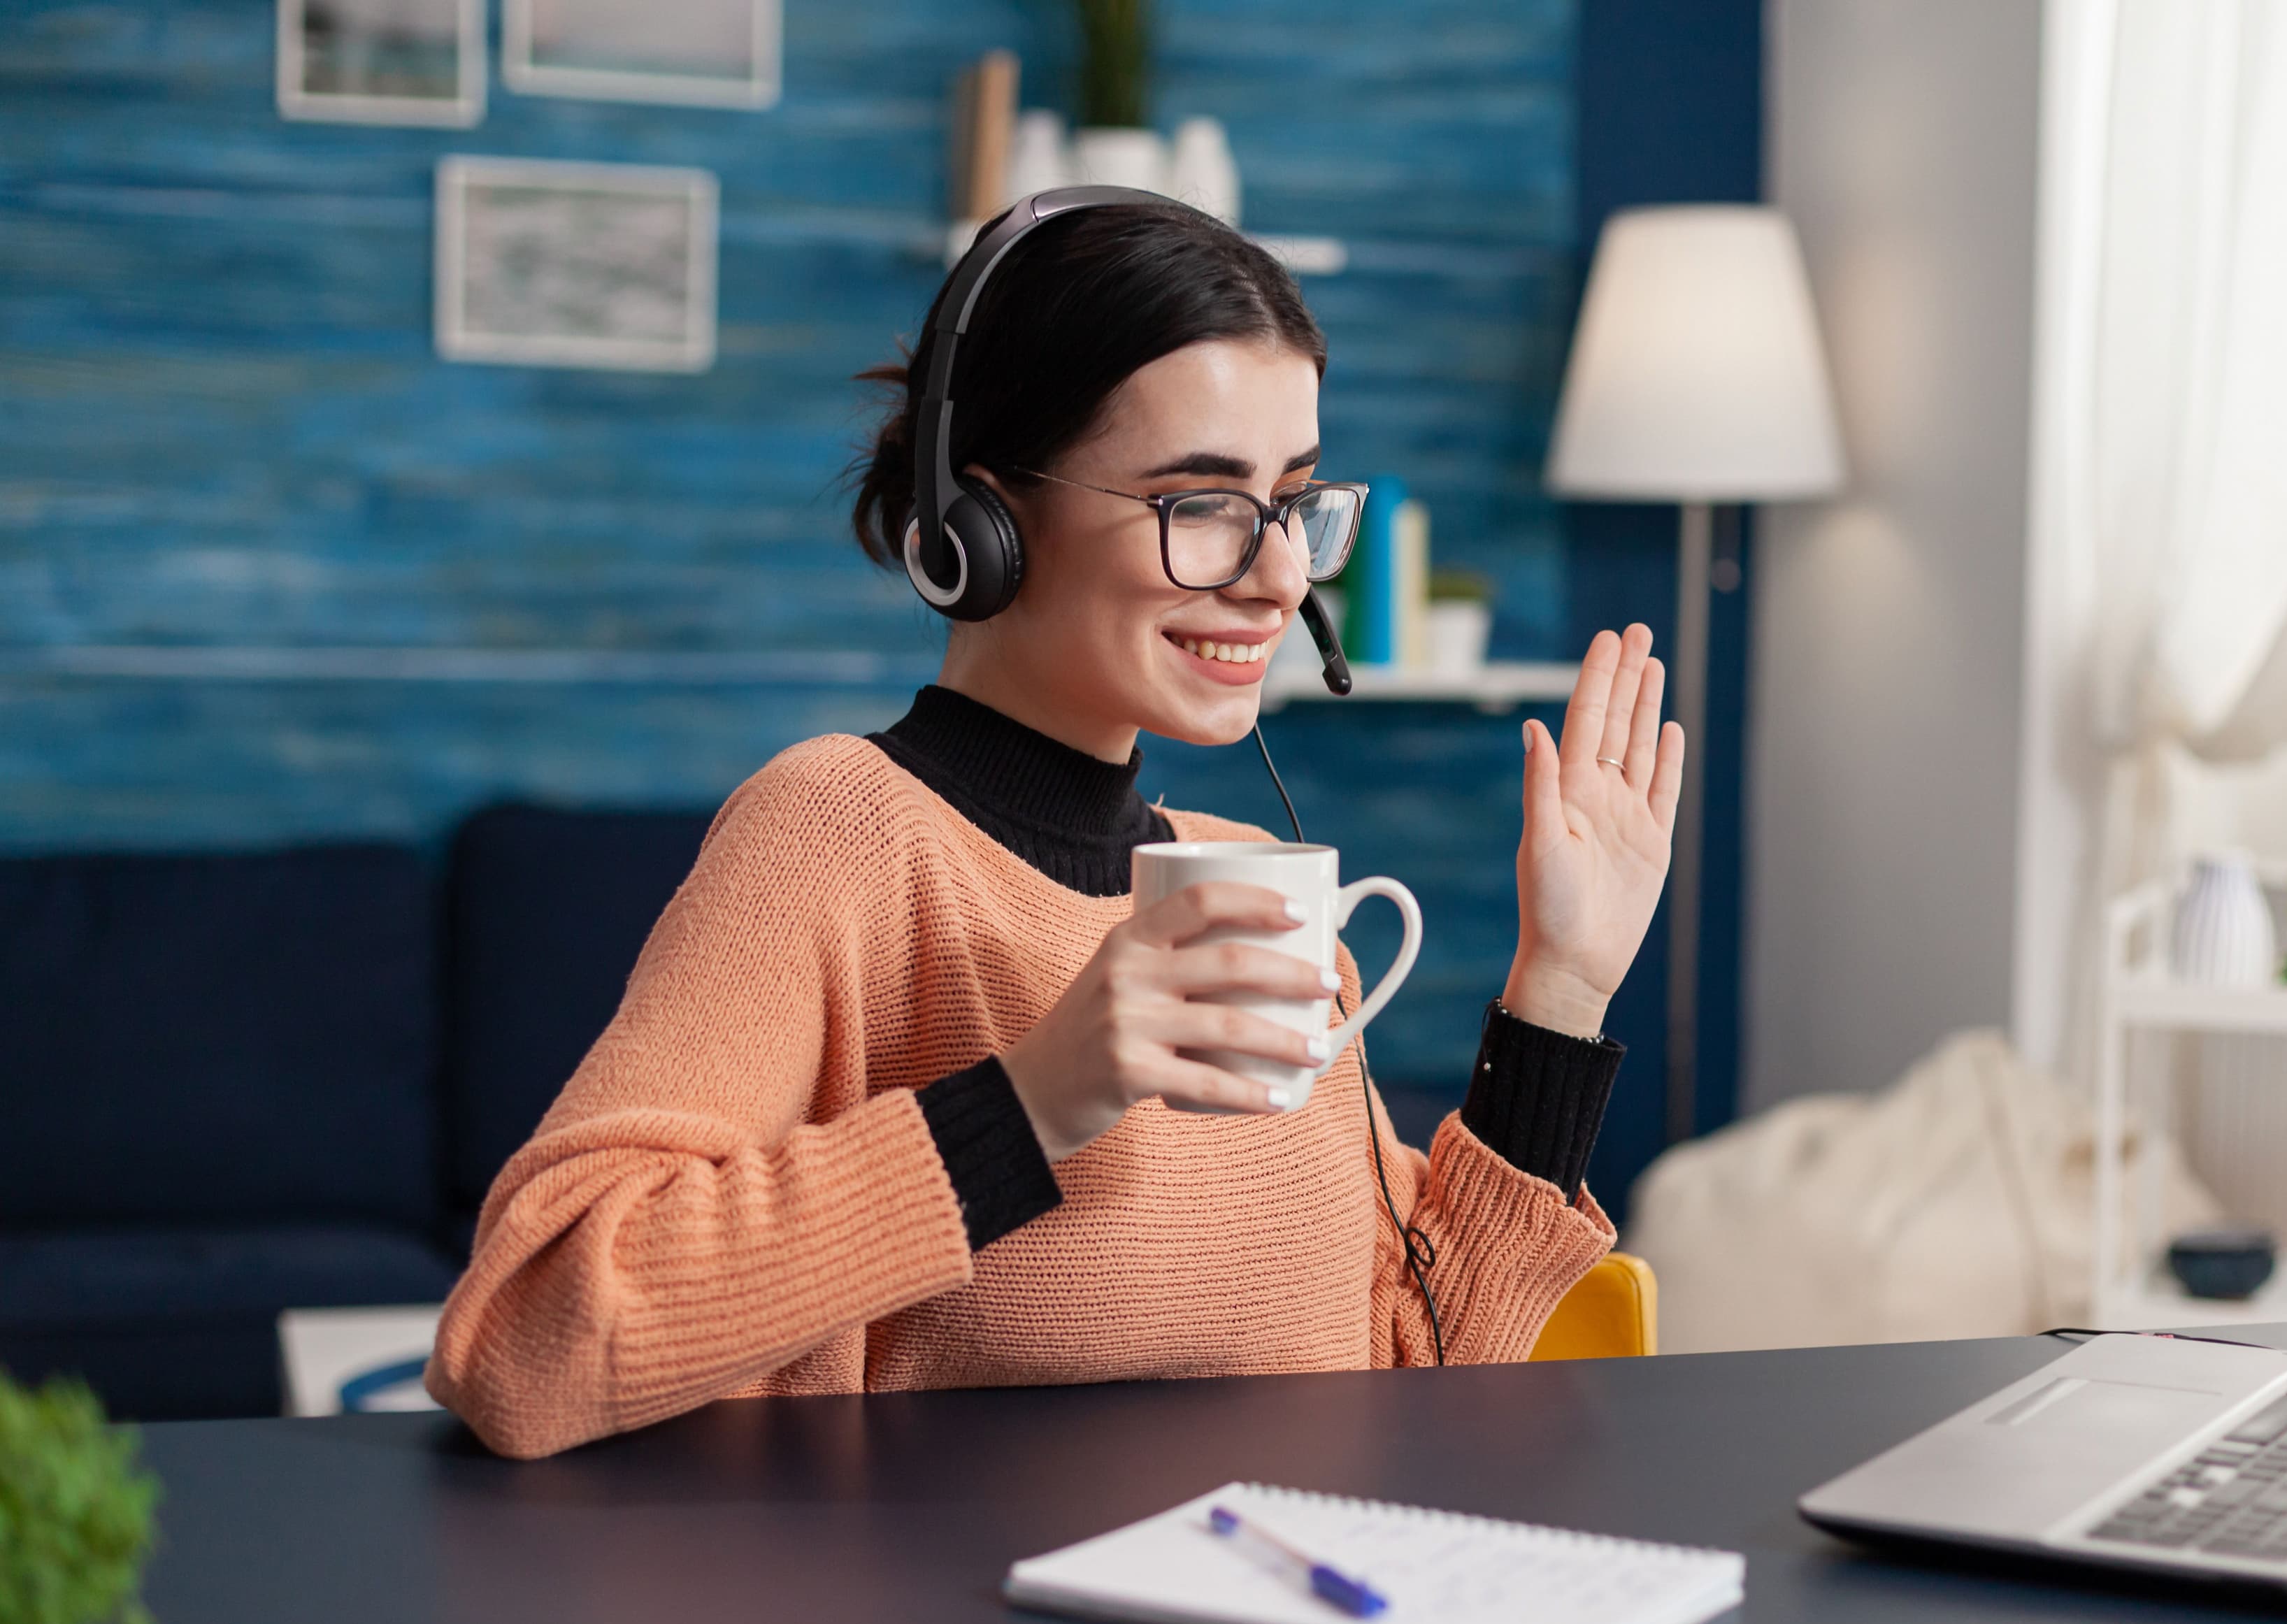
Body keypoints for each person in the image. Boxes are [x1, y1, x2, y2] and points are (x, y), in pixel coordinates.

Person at [426, 199, 1684, 1459]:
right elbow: (526, 1344)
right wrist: (1029, 1106)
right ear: (989, 528)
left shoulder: (1255, 884)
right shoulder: (839, 837)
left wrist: (1561, 991)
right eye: (1200, 503)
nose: (1282, 575)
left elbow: (1416, 1369)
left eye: (1293, 501)